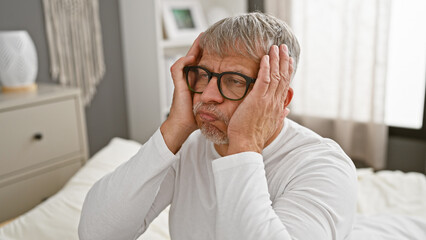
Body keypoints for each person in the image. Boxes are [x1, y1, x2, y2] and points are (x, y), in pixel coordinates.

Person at [79, 12, 357, 240]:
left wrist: (245, 143)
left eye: (234, 80)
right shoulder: (190, 143)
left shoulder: (324, 166)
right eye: (203, 75)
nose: (207, 95)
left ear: (280, 98)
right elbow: (96, 233)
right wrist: (174, 128)